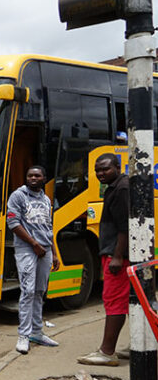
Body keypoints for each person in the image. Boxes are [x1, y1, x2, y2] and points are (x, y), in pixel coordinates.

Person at [78, 153, 129, 366]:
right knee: (130, 302)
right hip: (115, 254)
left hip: (118, 257)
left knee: (114, 301)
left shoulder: (121, 189)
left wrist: (117, 256)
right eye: (97, 170)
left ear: (117, 167)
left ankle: (107, 353)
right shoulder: (116, 186)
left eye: (105, 169)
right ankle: (141, 344)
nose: (100, 174)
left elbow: (125, 226)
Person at [7, 166, 60, 354]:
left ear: (44, 178)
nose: (33, 178)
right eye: (30, 175)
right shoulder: (18, 196)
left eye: (37, 175)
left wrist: (53, 252)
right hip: (27, 250)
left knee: (39, 291)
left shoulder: (45, 199)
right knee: (28, 291)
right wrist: (34, 244)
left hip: (44, 250)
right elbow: (13, 223)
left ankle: (37, 332)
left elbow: (48, 227)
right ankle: (23, 335)